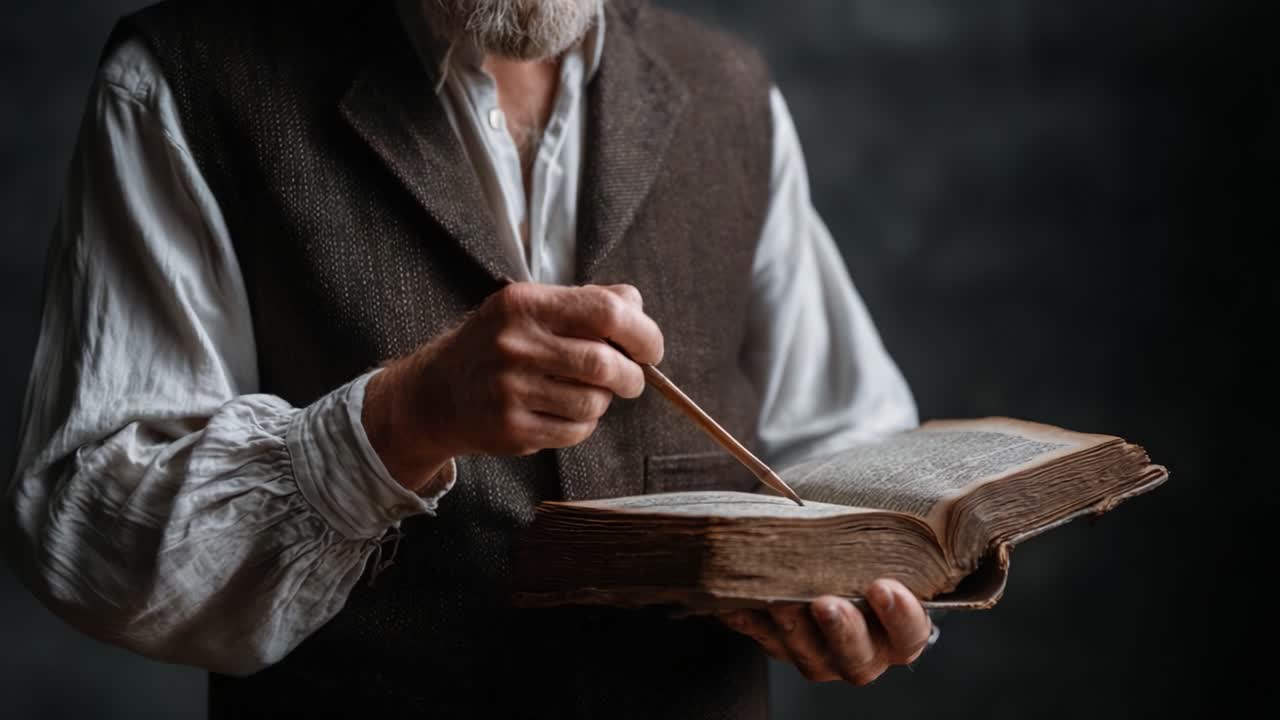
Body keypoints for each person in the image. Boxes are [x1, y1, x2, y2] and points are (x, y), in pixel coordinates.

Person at [2, 0, 934, 716]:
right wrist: (403, 419)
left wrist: (867, 591)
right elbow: (86, 532)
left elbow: (850, 446)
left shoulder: (735, 95)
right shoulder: (181, 81)